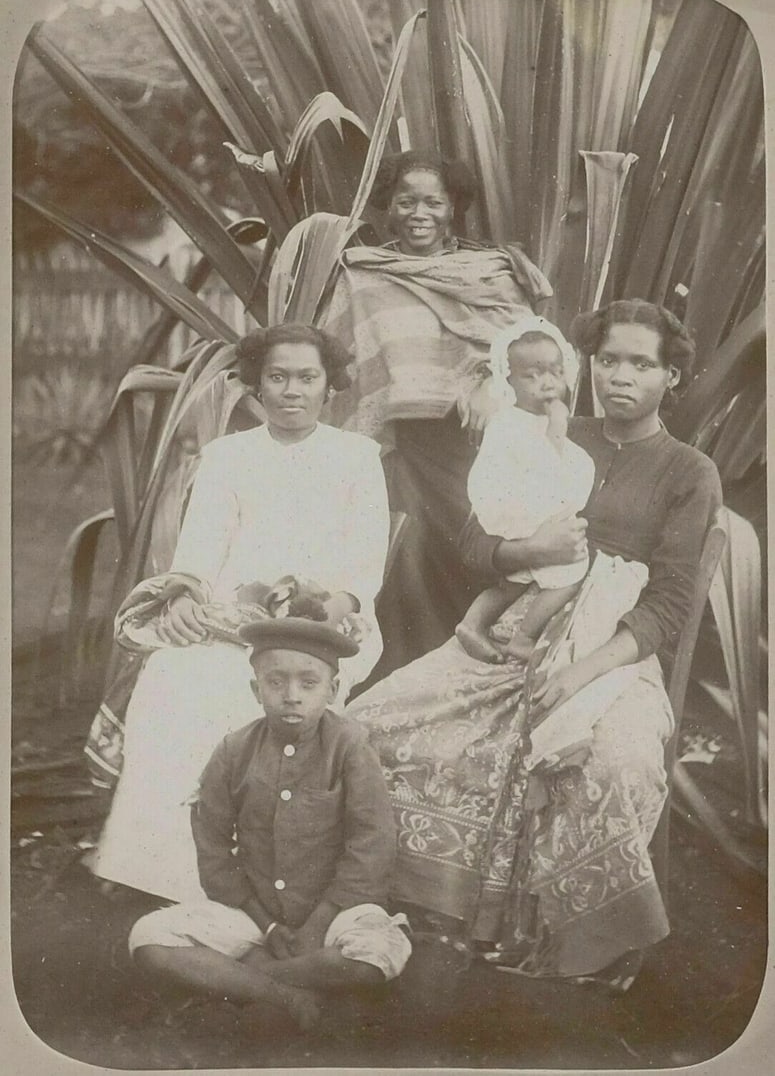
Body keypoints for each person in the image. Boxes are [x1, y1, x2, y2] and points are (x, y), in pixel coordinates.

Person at [344, 299, 722, 989]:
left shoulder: (685, 470)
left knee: (612, 762)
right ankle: (411, 908)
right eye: (608, 359)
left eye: (641, 364)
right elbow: (473, 538)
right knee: (364, 724)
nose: (620, 377)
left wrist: (581, 673)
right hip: (515, 630)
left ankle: (577, 941)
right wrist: (524, 551)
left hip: (613, 657)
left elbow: (669, 603)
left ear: (671, 376)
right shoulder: (538, 431)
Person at [86, 324, 390, 903]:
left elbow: (363, 565)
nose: (291, 390)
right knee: (172, 678)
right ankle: (154, 868)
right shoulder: (227, 456)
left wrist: (330, 604)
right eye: (277, 377)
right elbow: (200, 554)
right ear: (256, 384)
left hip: (325, 616)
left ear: (330, 387)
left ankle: (247, 874)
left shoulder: (356, 456)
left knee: (257, 685)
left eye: (307, 377)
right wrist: (183, 597)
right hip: (231, 613)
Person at [323, 149, 553, 675]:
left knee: (489, 555)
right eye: (405, 202)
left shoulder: (492, 273)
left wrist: (489, 380)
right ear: (388, 207)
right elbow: (345, 366)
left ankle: (487, 678)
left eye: (432, 201)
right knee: (405, 568)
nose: (418, 213)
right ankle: (407, 683)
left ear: (454, 207)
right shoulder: (365, 276)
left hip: (482, 449)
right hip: (401, 451)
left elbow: (531, 350)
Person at [128, 616, 411, 1031]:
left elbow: (372, 844)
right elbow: (213, 843)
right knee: (148, 938)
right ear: (255, 689)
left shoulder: (349, 746)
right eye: (275, 682)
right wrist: (268, 923)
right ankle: (286, 993)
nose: (291, 696)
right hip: (255, 917)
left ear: (332, 690)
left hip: (335, 914)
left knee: (375, 955)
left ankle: (243, 978)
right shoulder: (233, 750)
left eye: (308, 683)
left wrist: (316, 926)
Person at [456, 316, 599, 663]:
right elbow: (545, 464)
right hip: (518, 510)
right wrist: (558, 425)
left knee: (514, 581)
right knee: (571, 571)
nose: (546, 384)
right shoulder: (509, 422)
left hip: (529, 510)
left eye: (553, 372)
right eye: (531, 376)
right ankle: (524, 637)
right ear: (508, 381)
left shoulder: (531, 420)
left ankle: (472, 624)